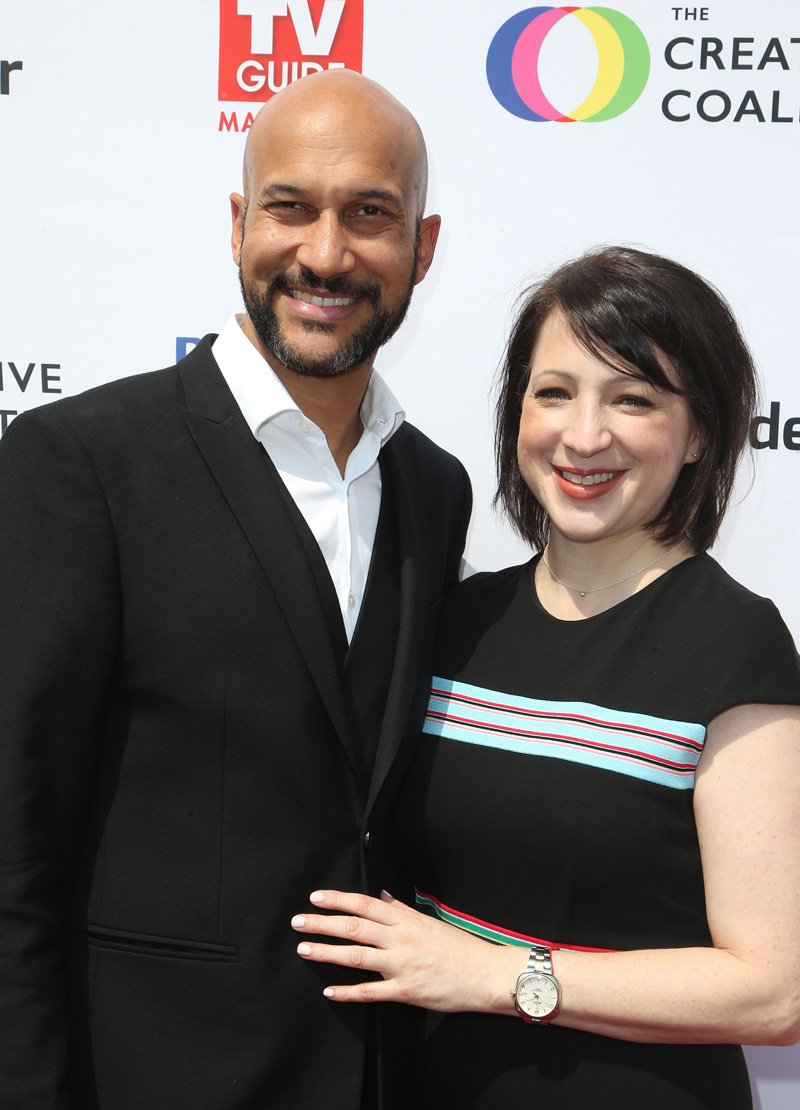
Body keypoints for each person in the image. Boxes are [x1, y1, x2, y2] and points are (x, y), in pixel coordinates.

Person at [0, 70, 471, 1110]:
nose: (325, 253)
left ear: (421, 248)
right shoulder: (81, 463)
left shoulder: (435, 486)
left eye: (370, 215)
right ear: (236, 222)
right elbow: (14, 840)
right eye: (289, 207)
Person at [290, 246, 800, 1109]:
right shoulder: (457, 620)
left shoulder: (735, 643)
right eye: (554, 392)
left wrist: (498, 977)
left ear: (700, 434)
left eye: (633, 399)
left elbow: (772, 990)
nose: (584, 435)